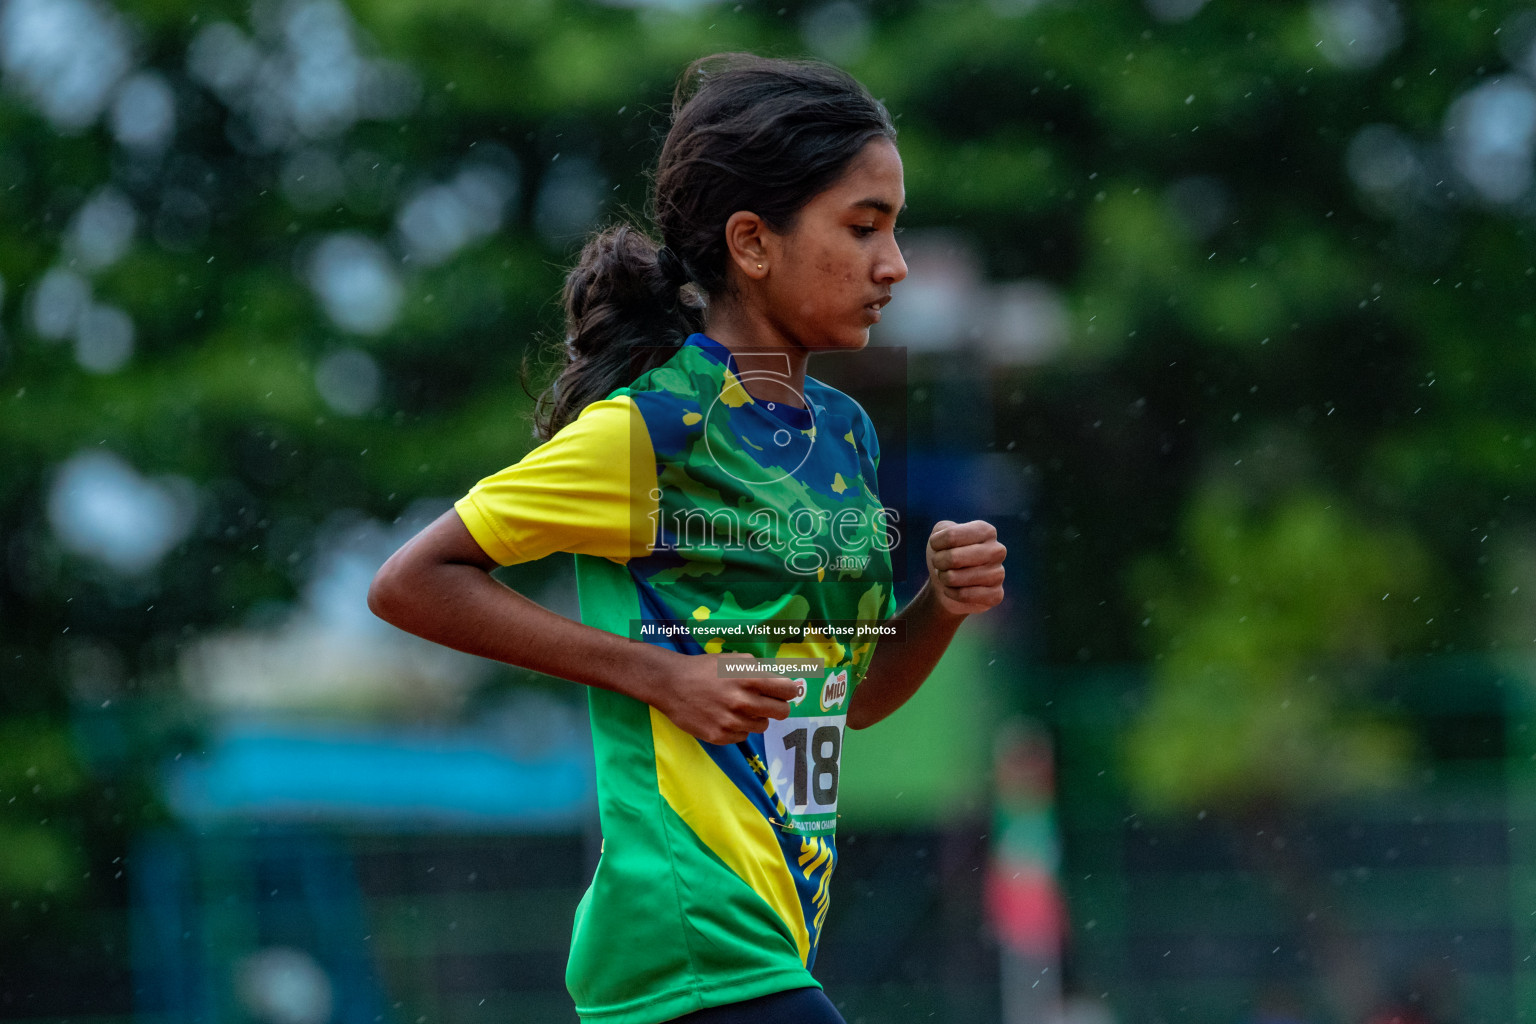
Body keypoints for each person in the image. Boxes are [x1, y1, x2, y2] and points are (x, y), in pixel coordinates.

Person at [368, 52, 1007, 1024]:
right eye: (863, 226)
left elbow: (858, 694)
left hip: (770, 938)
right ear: (752, 242)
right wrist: (658, 674)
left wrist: (941, 605)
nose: (896, 264)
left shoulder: (846, 434)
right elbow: (412, 582)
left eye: (896, 228)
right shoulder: (653, 428)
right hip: (689, 936)